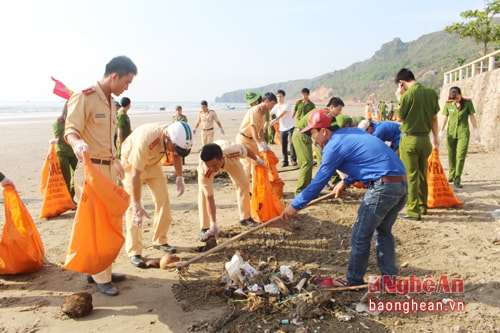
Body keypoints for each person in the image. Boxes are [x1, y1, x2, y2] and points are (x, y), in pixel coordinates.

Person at [280, 108, 407, 288]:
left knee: (360, 234)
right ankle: (390, 280)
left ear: (323, 131)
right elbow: (368, 159)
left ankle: (353, 279)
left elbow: (318, 182)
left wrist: (295, 205)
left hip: (383, 187)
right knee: (383, 232)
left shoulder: (333, 146)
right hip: (400, 184)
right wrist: (346, 182)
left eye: (313, 133)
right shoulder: (352, 133)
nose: (312, 138)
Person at [65, 55, 137, 296]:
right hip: (91, 171)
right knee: (97, 224)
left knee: (111, 221)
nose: (127, 87)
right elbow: (71, 130)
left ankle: (100, 269)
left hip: (107, 168)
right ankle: (100, 277)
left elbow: (109, 140)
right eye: (126, 82)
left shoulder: (113, 104)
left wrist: (115, 160)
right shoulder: (84, 97)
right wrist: (76, 144)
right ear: (114, 76)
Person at [120, 121, 193, 268]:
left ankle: (160, 240)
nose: (177, 152)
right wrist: (137, 202)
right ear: (167, 138)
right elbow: (135, 174)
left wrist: (180, 177)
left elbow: (177, 155)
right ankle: (134, 252)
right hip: (131, 166)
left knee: (163, 201)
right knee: (134, 211)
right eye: (176, 148)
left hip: (153, 165)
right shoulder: (146, 139)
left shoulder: (174, 139)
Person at [395, 68, 439, 221]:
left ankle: (413, 211)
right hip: (425, 139)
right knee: (422, 174)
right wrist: (436, 138)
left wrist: (399, 97)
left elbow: (400, 118)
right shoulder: (431, 93)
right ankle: (422, 205)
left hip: (410, 139)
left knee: (411, 176)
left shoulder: (408, 95)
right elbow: (434, 118)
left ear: (402, 83)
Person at [198, 141, 267, 238]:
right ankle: (205, 228)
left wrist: (257, 159)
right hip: (213, 160)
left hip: (230, 161)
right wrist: (213, 223)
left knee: (244, 183)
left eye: (214, 166)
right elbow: (210, 198)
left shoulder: (233, 150)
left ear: (222, 159)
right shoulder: (205, 170)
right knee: (204, 194)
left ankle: (245, 218)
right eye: (208, 165)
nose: (211, 168)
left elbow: (246, 149)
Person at [439, 86, 480, 188]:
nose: (456, 100)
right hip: (451, 133)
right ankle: (452, 174)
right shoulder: (448, 104)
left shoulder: (467, 103)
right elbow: (445, 117)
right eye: (454, 99)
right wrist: (441, 131)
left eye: (457, 98)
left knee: (460, 155)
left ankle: (457, 178)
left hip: (463, 133)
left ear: (460, 94)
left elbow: (472, 117)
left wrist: (476, 130)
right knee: (451, 154)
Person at [236, 92, 277, 178]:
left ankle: (256, 189)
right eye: (272, 103)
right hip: (243, 139)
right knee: (246, 166)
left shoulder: (264, 112)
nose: (273, 106)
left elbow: (261, 130)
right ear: (266, 101)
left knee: (257, 163)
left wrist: (264, 144)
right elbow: (253, 127)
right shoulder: (255, 110)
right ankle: (245, 191)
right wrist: (259, 143)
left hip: (252, 140)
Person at [53, 102, 77, 199]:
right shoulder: (59, 122)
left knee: (78, 177)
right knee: (66, 178)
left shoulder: (75, 121)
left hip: (74, 152)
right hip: (62, 153)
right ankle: (67, 200)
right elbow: (57, 137)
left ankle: (71, 198)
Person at [270, 90, 296, 167]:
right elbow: (271, 113)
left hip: (290, 126)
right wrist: (271, 119)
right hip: (282, 128)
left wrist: (275, 119)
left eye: (281, 96)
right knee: (283, 145)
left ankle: (293, 160)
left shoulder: (287, 104)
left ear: (283, 97)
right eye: (278, 96)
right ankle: (285, 161)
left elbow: (283, 113)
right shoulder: (276, 106)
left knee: (291, 143)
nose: (279, 98)